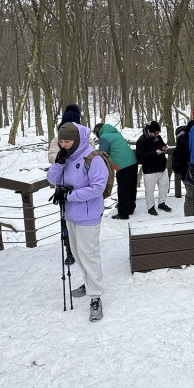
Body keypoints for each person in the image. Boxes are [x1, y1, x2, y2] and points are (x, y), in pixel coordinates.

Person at [47, 122, 107, 322]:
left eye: (68, 141)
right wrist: (59, 163)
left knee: (89, 255)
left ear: (78, 139)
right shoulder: (66, 156)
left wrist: (69, 195)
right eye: (61, 141)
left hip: (89, 215)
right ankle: (88, 282)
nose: (64, 145)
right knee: (79, 255)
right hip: (71, 214)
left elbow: (98, 187)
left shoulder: (93, 158)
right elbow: (51, 179)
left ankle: (95, 296)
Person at [94, 122, 138, 219]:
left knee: (123, 189)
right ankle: (130, 208)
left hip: (122, 165)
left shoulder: (104, 137)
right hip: (133, 161)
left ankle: (123, 213)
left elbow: (103, 153)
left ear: (98, 132)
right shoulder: (116, 133)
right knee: (131, 187)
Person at [136, 121, 172, 216]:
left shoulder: (158, 137)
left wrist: (164, 148)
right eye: (155, 133)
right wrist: (154, 153)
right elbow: (140, 157)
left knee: (165, 187)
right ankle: (150, 207)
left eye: (158, 133)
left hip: (162, 167)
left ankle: (162, 203)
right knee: (150, 190)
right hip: (149, 170)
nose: (157, 135)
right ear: (149, 131)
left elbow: (162, 144)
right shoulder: (141, 141)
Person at [172, 109, 194, 216]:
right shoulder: (184, 144)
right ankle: (188, 217)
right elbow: (177, 161)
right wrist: (184, 172)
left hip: (193, 172)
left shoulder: (190, 142)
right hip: (188, 173)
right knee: (191, 196)